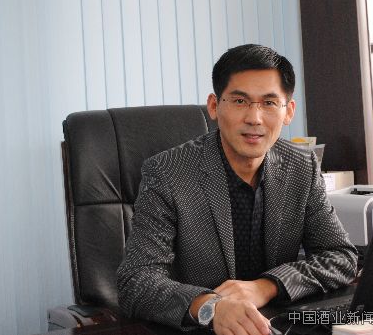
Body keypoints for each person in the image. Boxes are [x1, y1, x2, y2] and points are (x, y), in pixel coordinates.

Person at [117, 44, 358, 335]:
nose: (254, 118)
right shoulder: (168, 172)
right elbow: (137, 281)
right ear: (214, 106)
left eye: (269, 103)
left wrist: (266, 287)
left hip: (274, 325)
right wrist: (211, 307)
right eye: (240, 101)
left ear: (288, 112)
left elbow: (341, 257)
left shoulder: (301, 166)